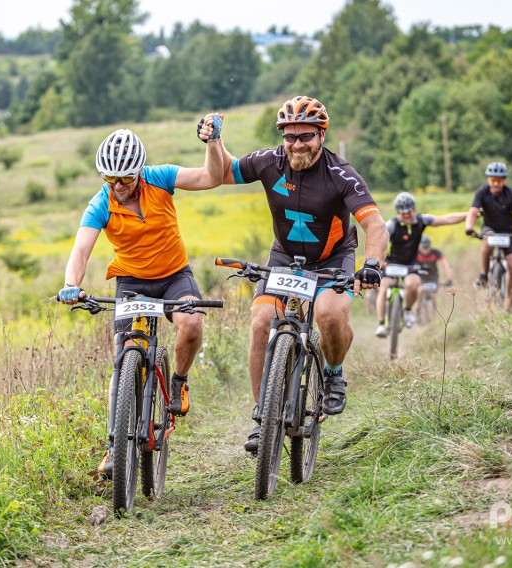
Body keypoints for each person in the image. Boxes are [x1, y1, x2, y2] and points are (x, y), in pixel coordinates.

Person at [207, 96, 388, 453]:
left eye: (306, 136)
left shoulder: (341, 175)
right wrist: (214, 140)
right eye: (290, 137)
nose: (297, 144)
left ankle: (334, 375)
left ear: (322, 135)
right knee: (261, 320)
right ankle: (263, 415)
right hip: (284, 256)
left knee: (330, 314)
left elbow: (375, 225)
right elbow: (222, 172)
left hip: (333, 258)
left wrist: (371, 266)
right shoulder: (269, 161)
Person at [58, 120, 224, 475]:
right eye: (110, 180)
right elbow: (81, 249)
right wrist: (72, 284)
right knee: (123, 356)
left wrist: (213, 143)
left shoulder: (160, 178)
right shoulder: (101, 203)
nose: (118, 187)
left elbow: (210, 177)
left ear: (139, 171)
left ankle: (178, 380)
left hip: (173, 276)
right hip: (131, 281)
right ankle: (115, 446)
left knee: (191, 324)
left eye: (126, 179)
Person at [374, 192, 466, 337]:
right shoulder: (392, 225)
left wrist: (469, 214)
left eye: (409, 212)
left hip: (411, 263)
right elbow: (379, 238)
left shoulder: (422, 220)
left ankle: (408, 311)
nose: (407, 216)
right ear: (398, 212)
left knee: (413, 284)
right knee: (383, 287)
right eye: (402, 213)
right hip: (392, 261)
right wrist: (376, 261)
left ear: (414, 209)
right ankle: (381, 324)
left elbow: (447, 219)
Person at [465, 162, 512, 311]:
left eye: (500, 180)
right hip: (490, 228)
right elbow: (473, 211)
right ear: (488, 180)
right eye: (493, 180)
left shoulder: (511, 193)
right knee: (488, 241)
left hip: (509, 232)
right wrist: (469, 228)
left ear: (505, 181)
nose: (496, 184)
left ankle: (509, 306)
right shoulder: (481, 193)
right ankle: (484, 275)